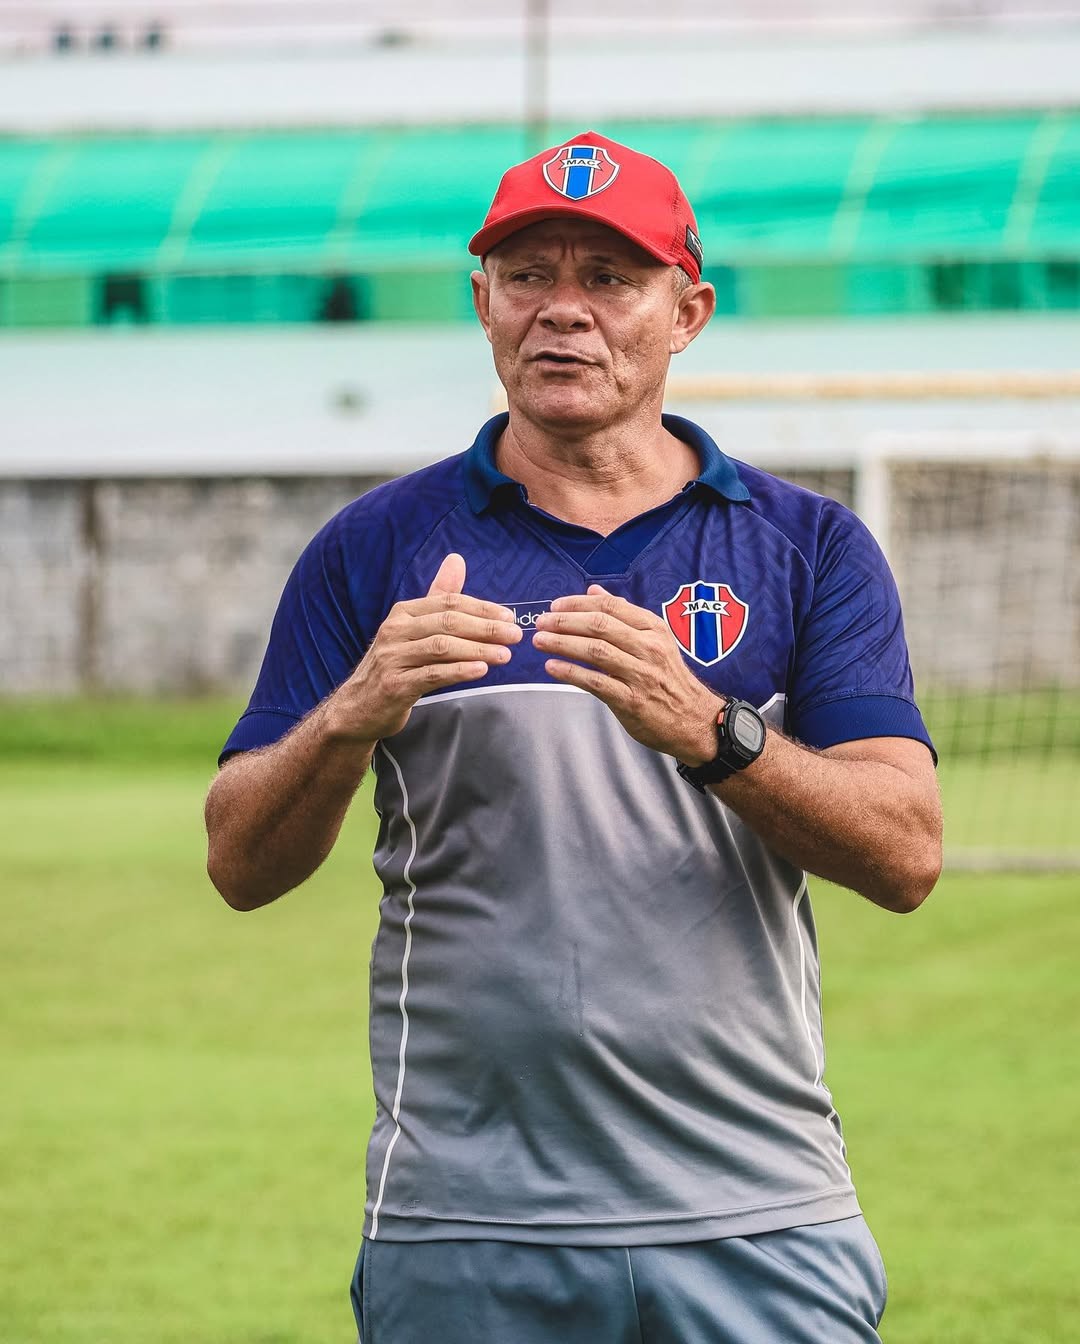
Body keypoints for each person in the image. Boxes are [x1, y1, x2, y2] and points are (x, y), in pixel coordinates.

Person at [206, 131, 942, 1343]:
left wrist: (713, 730)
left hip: (759, 1213)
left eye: (610, 279)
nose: (564, 313)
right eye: (528, 275)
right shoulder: (372, 548)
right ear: (482, 302)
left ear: (686, 311)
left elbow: (906, 855)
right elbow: (240, 864)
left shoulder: (810, 548)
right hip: (464, 1221)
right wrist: (348, 720)